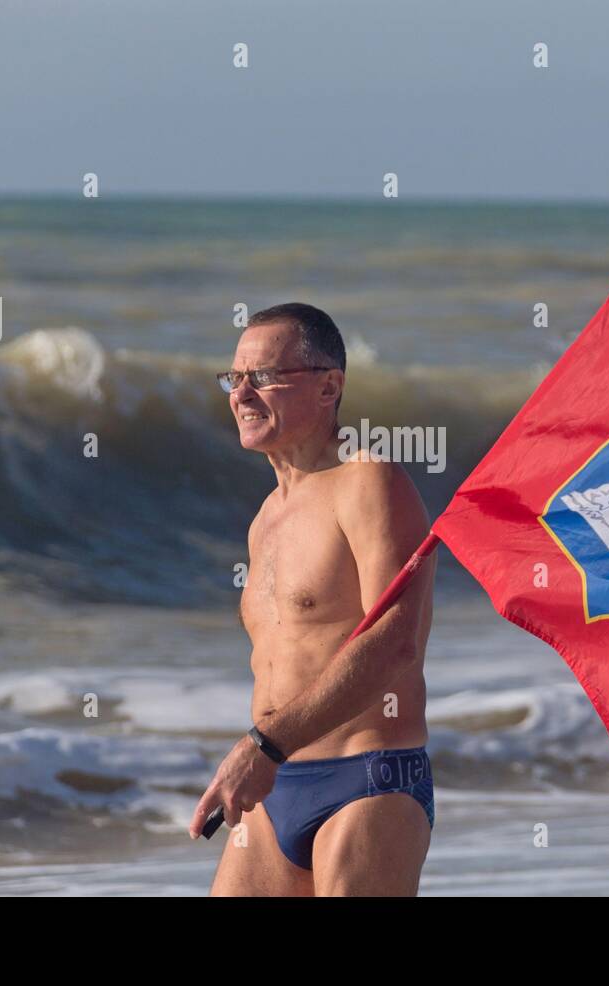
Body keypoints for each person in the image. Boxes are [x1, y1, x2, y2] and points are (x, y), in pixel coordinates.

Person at [188, 302, 436, 896]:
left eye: (265, 377)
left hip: (369, 778)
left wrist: (264, 745)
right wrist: (267, 754)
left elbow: (396, 643)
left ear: (329, 387)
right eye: (234, 378)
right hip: (276, 789)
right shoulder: (264, 518)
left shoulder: (370, 481)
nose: (242, 394)